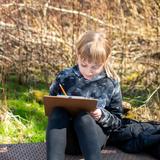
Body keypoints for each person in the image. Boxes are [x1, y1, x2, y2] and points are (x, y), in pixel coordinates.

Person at [46, 30, 123, 160]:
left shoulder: (111, 82)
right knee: (58, 112)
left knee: (83, 117)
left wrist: (101, 115)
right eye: (84, 65)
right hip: (66, 141)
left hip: (93, 140)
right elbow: (50, 108)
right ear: (78, 55)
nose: (88, 71)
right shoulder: (64, 77)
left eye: (95, 67)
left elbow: (118, 122)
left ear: (105, 61)